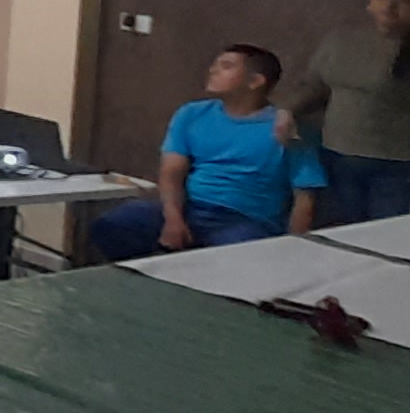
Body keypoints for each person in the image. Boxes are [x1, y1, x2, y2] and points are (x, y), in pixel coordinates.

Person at [90, 47, 326, 259]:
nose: (213, 70)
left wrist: (291, 250)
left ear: (255, 81)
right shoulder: (192, 114)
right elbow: (172, 172)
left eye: (226, 66)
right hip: (191, 206)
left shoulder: (285, 127)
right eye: (215, 64)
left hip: (247, 219)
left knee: (236, 256)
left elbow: (305, 195)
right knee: (115, 224)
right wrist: (173, 220)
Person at [274, 0, 410, 223]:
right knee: (339, 237)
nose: (390, 5)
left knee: (386, 241)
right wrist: (288, 109)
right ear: (371, 2)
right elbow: (313, 85)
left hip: (396, 171)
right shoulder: (340, 41)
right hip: (336, 161)